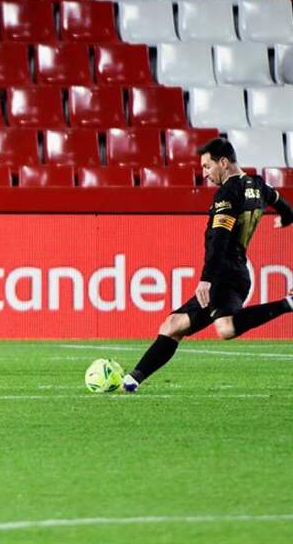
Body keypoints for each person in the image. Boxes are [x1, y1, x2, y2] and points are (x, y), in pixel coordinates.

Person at [123, 138, 293, 392]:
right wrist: (286, 218)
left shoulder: (227, 192)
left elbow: (220, 238)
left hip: (223, 273)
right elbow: (283, 205)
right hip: (237, 270)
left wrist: (207, 278)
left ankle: (288, 303)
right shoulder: (257, 185)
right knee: (173, 325)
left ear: (223, 162)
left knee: (224, 328)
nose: (205, 174)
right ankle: (132, 380)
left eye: (207, 166)